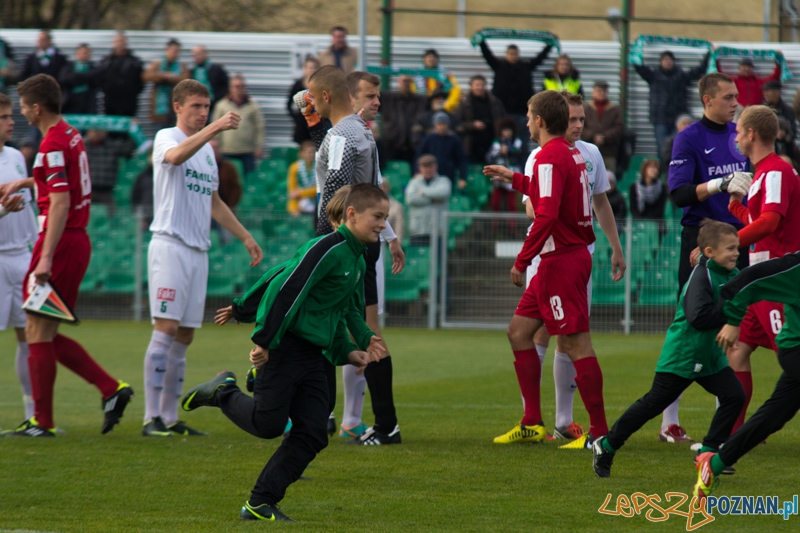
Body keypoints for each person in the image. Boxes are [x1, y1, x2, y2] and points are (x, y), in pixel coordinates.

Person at [183, 183, 386, 521]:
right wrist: (263, 340)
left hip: (315, 354)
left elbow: (345, 309)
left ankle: (260, 503)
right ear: (352, 214)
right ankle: (223, 391)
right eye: (377, 217)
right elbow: (284, 288)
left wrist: (358, 344)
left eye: (386, 217)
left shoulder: (358, 258)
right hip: (286, 346)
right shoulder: (327, 248)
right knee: (268, 424)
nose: (383, 224)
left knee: (313, 432)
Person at [0, 74, 133, 437]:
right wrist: (26, 182)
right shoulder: (71, 134)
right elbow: (62, 183)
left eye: (24, 107)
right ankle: (111, 389)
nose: (22, 113)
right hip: (74, 241)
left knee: (36, 331)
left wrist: (44, 257)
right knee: (41, 330)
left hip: (59, 243)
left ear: (37, 108)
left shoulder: (51, 144)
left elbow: (60, 202)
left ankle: (42, 422)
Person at [483, 90, 610, 449]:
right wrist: (514, 178)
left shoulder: (550, 156)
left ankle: (600, 434)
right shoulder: (567, 153)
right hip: (560, 259)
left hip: (561, 261)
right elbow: (550, 193)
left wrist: (523, 259)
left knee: (574, 342)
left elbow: (547, 213)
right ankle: (531, 422)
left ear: (539, 120)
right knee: (519, 332)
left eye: (528, 114)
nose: (525, 120)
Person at [141, 79, 263, 438]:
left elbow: (214, 202)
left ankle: (170, 416)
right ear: (178, 107)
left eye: (206, 106)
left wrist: (245, 236)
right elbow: (175, 158)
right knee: (165, 329)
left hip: (198, 250)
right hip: (170, 245)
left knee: (186, 335)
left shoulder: (208, 152)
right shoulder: (167, 137)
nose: (202, 112)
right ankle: (151, 418)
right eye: (195, 106)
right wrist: (216, 127)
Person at [299, 66, 404, 444]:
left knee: (348, 330)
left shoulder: (345, 133)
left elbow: (338, 190)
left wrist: (324, 241)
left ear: (326, 96)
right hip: (360, 243)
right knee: (344, 329)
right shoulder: (353, 130)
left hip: (347, 244)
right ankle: (330, 415)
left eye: (314, 95)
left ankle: (379, 422)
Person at [593, 221, 745, 478]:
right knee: (652, 404)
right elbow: (699, 318)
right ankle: (606, 445)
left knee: (734, 396)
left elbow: (744, 292)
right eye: (730, 248)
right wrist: (730, 317)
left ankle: (708, 453)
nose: (736, 253)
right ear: (709, 252)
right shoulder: (701, 276)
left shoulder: (730, 272)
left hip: (708, 356)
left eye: (737, 247)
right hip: (683, 355)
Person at [665, 73, 750, 439]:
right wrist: (718, 184)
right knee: (693, 328)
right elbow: (679, 195)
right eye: (728, 97)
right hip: (701, 241)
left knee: (734, 329)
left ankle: (728, 426)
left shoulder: (742, 136)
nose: (735, 102)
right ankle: (669, 422)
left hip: (740, 239)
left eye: (736, 97)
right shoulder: (688, 138)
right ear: (707, 100)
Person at [720, 105, 800, 436]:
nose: (736, 136)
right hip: (760, 278)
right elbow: (761, 221)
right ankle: (731, 436)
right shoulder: (766, 173)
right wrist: (736, 205)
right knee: (737, 351)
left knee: (792, 356)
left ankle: (749, 431)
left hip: (776, 277)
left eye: (739, 131)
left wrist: (727, 246)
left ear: (752, 134)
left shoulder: (776, 171)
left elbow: (770, 223)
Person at [694, 250, 800, 499]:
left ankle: (715, 464)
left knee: (772, 417)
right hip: (796, 349)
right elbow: (746, 279)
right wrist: (733, 320)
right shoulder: (795, 268)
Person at [0, 93, 38, 423]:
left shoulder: (15, 156)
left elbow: (28, 207)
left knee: (28, 337)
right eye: (4, 117)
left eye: (11, 115)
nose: (12, 121)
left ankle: (32, 413)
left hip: (22, 258)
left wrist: (38, 245)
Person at [634, 50, 710, 159]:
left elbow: (699, 70)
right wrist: (637, 47)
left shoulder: (681, 76)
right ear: (660, 62)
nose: (667, 62)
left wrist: (708, 53)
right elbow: (638, 66)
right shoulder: (653, 76)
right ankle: (665, 173)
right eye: (665, 60)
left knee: (679, 147)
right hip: (660, 119)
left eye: (669, 60)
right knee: (662, 150)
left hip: (678, 119)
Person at [479, 39, 552, 150]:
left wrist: (549, 44)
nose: (513, 56)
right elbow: (487, 55)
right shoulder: (499, 67)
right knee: (501, 143)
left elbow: (539, 59)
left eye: (515, 54)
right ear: (506, 54)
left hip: (521, 114)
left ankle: (522, 165)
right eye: (511, 54)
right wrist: (481, 41)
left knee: (522, 143)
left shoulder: (525, 68)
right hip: (502, 113)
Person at [211, 74, 265, 176]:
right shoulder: (221, 105)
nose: (239, 89)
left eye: (242, 86)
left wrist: (259, 147)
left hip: (247, 151)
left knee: (249, 180)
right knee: (227, 180)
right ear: (230, 88)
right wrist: (215, 147)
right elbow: (215, 126)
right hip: (226, 151)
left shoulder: (253, 106)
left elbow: (259, 128)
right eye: (236, 86)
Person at [92, 32, 144, 118]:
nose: (120, 43)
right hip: (110, 102)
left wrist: (132, 91)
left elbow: (141, 81)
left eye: (122, 41)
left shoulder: (135, 62)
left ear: (126, 43)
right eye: (118, 41)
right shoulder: (106, 62)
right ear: (114, 43)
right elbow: (99, 78)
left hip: (129, 103)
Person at [142, 38, 190, 131]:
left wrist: (172, 78)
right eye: (174, 51)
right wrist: (164, 76)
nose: (175, 54)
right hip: (159, 111)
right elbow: (146, 76)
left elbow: (186, 80)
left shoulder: (181, 66)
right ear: (167, 50)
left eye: (177, 51)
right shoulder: (158, 64)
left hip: (175, 112)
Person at [457, 74, 506, 164]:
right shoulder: (464, 104)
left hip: (492, 145)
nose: (480, 88)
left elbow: (503, 121)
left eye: (482, 85)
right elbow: (457, 124)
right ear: (471, 87)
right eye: (477, 85)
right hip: (471, 146)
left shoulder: (495, 102)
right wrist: (472, 125)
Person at [380, 74, 427, 165]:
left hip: (413, 146)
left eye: (410, 81)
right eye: (404, 81)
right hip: (391, 145)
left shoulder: (421, 100)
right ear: (398, 82)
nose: (407, 84)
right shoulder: (388, 98)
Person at [405, 154, 451, 246]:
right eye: (425, 166)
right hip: (418, 230)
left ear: (436, 166)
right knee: (418, 260)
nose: (428, 169)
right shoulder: (414, 182)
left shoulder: (444, 181)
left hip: (438, 231)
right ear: (420, 168)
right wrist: (432, 200)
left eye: (430, 166)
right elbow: (410, 199)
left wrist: (422, 192)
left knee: (438, 260)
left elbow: (443, 193)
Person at [416, 112, 468, 192]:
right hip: (430, 175)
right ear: (435, 125)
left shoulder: (454, 139)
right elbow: (419, 156)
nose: (442, 127)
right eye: (439, 124)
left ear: (448, 125)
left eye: (444, 124)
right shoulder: (428, 139)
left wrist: (462, 178)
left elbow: (462, 160)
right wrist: (417, 171)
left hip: (448, 175)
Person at [486, 118, 524, 226]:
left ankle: (512, 226)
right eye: (505, 130)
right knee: (495, 202)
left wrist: (509, 150)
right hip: (498, 174)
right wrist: (499, 152)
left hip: (512, 173)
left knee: (511, 203)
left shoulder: (517, 141)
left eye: (509, 130)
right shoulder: (496, 142)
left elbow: (519, 153)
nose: (507, 133)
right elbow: (490, 156)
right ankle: (495, 224)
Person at [581, 80, 624, 173]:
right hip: (588, 152)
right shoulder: (585, 109)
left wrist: (604, 137)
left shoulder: (615, 110)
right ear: (593, 92)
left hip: (609, 152)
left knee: (609, 180)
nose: (601, 93)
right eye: (599, 91)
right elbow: (580, 127)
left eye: (604, 91)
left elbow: (619, 128)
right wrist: (593, 136)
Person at [411, 49, 461, 113]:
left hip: (441, 108)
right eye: (428, 57)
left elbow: (455, 90)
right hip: (423, 109)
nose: (431, 59)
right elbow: (413, 93)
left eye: (433, 57)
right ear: (424, 59)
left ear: (437, 60)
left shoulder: (445, 74)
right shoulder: (418, 75)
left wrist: (448, 105)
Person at [287, 57, 319, 145]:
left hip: (316, 123)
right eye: (310, 68)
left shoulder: (320, 85)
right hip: (302, 124)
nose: (312, 70)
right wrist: (296, 117)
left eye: (314, 67)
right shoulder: (297, 85)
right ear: (304, 69)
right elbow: (289, 104)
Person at [58, 44, 97, 115]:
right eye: (83, 52)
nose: (85, 55)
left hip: (87, 102)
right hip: (70, 101)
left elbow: (94, 80)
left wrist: (76, 76)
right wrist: (83, 77)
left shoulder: (93, 67)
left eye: (87, 53)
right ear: (77, 53)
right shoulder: (68, 66)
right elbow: (64, 79)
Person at [190, 45, 229, 111]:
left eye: (198, 54)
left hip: (215, 105)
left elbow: (227, 85)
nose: (196, 57)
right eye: (194, 55)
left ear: (205, 54)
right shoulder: (193, 71)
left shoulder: (216, 69)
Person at [286, 140, 316, 216]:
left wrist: (301, 193)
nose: (311, 154)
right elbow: (292, 192)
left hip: (316, 202)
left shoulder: (319, 168)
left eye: (313, 152)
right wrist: (294, 209)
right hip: (299, 203)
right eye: (308, 152)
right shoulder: (294, 168)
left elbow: (318, 189)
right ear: (302, 153)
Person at [380, 177, 405, 244]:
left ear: (388, 188)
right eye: (380, 186)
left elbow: (399, 228)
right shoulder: (369, 206)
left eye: (384, 187)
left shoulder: (397, 206)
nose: (382, 189)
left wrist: (397, 244)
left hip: (389, 243)